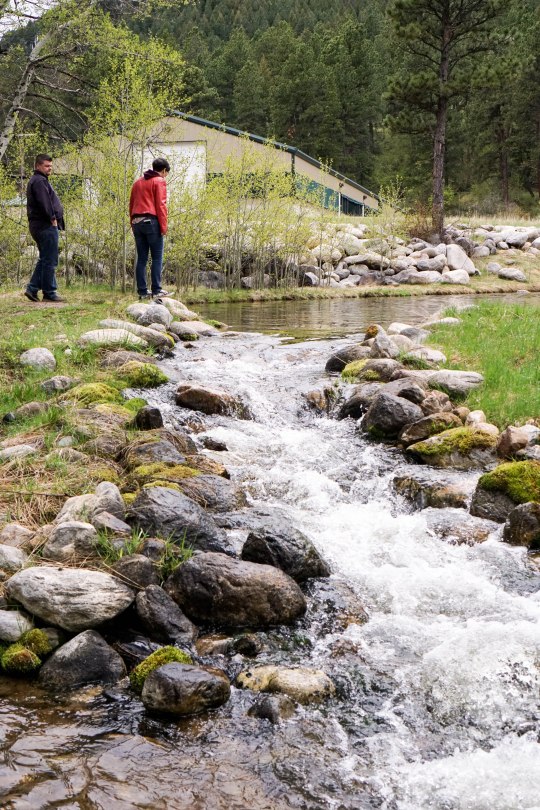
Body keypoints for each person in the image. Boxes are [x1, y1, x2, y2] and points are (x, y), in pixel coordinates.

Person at [25, 153, 65, 303]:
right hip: (45, 225)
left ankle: (32, 289)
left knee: (45, 259)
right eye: (47, 166)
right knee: (50, 260)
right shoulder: (39, 181)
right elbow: (44, 203)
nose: (50, 169)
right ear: (38, 166)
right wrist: (52, 218)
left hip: (41, 225)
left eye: (51, 166)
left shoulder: (38, 180)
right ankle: (49, 292)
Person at [129, 157, 171, 300]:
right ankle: (156, 290)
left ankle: (142, 292)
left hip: (137, 222)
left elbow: (131, 204)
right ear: (164, 170)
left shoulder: (137, 183)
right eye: (166, 173)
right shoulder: (159, 181)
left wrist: (132, 223)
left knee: (142, 258)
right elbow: (161, 205)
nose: (165, 176)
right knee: (157, 257)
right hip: (151, 222)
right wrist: (164, 227)